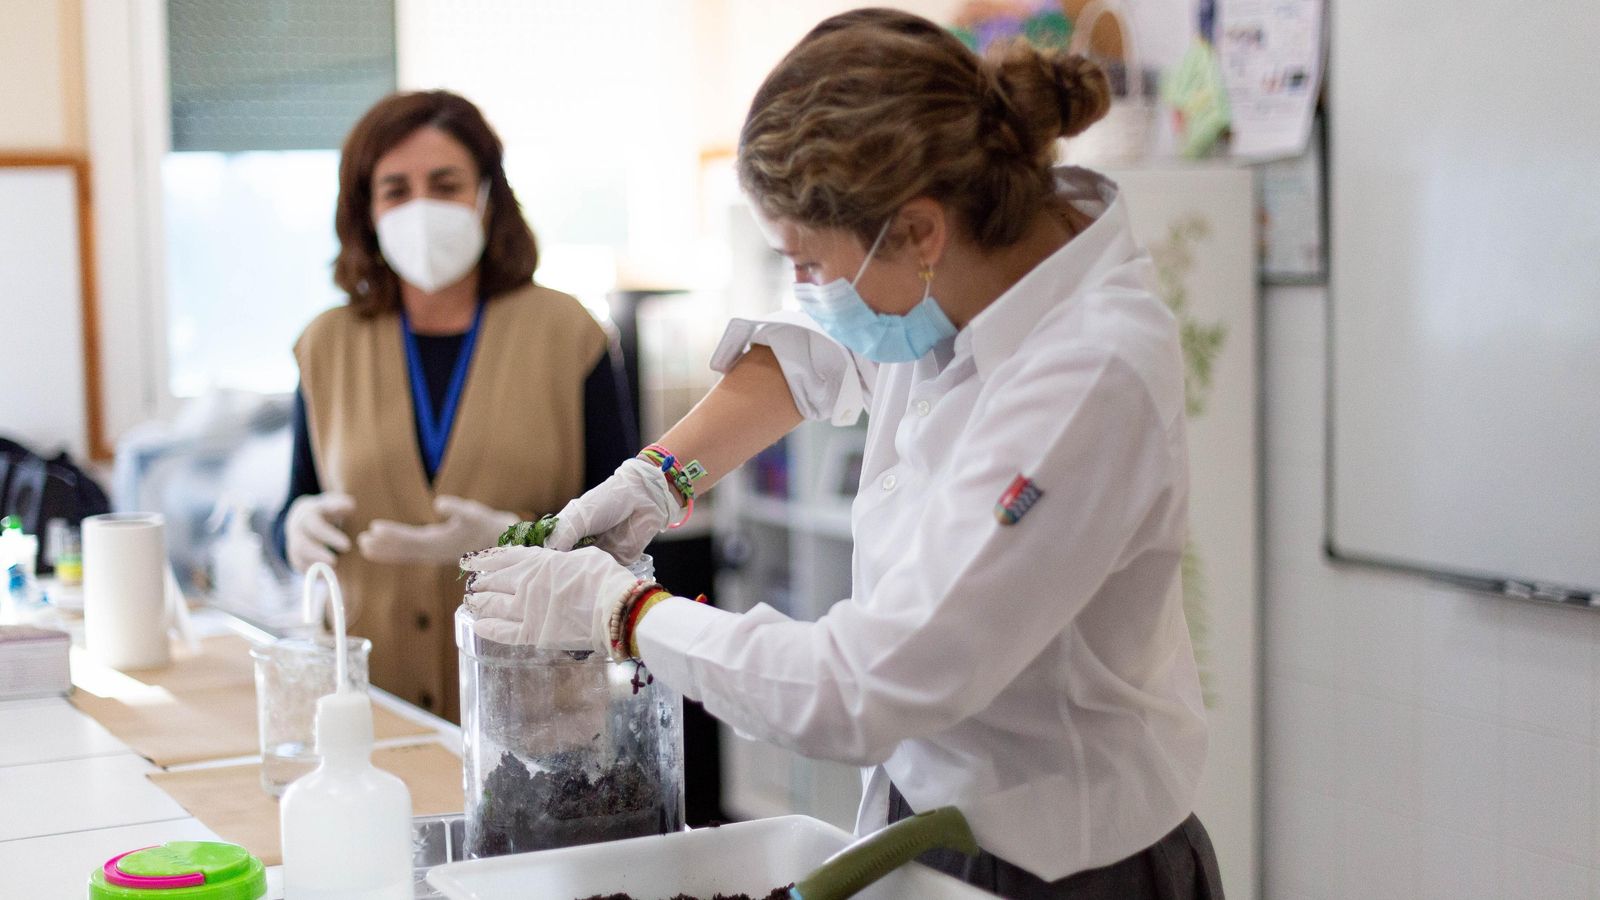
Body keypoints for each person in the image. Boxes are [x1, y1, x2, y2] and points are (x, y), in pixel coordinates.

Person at [458, 9, 1222, 898]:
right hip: (927, 809)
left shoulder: (1089, 374)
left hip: (1065, 860)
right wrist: (656, 479)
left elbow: (862, 686)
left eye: (809, 263)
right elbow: (813, 353)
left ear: (919, 232)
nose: (806, 290)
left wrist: (623, 611)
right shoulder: (962, 267)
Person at [274, 90, 636, 722]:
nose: (422, 209)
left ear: (487, 196)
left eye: (446, 185)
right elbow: (297, 501)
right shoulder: (326, 345)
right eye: (396, 190)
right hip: (370, 708)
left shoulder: (569, 333)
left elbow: (626, 532)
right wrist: (291, 527)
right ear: (366, 210)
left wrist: (517, 539)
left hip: (533, 703)